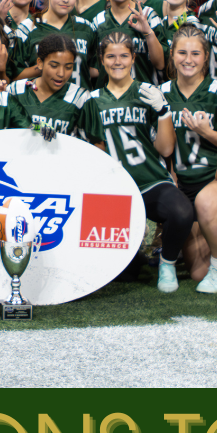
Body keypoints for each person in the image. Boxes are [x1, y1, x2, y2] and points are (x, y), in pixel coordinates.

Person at [83, 31, 191, 291]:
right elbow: (95, 148)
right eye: (110, 56)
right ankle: (135, 256)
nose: (117, 62)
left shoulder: (146, 93)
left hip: (150, 180)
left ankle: (167, 263)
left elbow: (165, 148)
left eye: (123, 56)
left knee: (182, 212)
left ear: (133, 58)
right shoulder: (93, 101)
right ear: (102, 59)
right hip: (115, 189)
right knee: (125, 275)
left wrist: (163, 111)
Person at [162, 26, 217, 293]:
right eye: (182, 53)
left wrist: (206, 132)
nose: (189, 59)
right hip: (184, 186)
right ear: (172, 54)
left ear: (206, 57)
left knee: (206, 202)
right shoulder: (161, 93)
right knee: (198, 271)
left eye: (196, 53)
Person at [16, 0, 97, 86]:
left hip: (80, 101)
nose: (66, 0)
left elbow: (97, 69)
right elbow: (13, 76)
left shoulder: (86, 27)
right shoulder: (28, 28)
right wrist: (47, 64)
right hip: (41, 102)